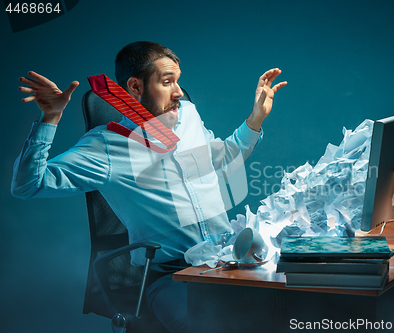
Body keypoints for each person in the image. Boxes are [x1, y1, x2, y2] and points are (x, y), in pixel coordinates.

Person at [11, 41, 287, 332]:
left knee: (299, 303)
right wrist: (50, 118)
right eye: (167, 82)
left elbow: (222, 159)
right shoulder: (106, 146)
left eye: (178, 81)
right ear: (135, 87)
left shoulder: (188, 115)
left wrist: (256, 118)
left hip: (230, 263)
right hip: (173, 276)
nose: (179, 92)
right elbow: (27, 185)